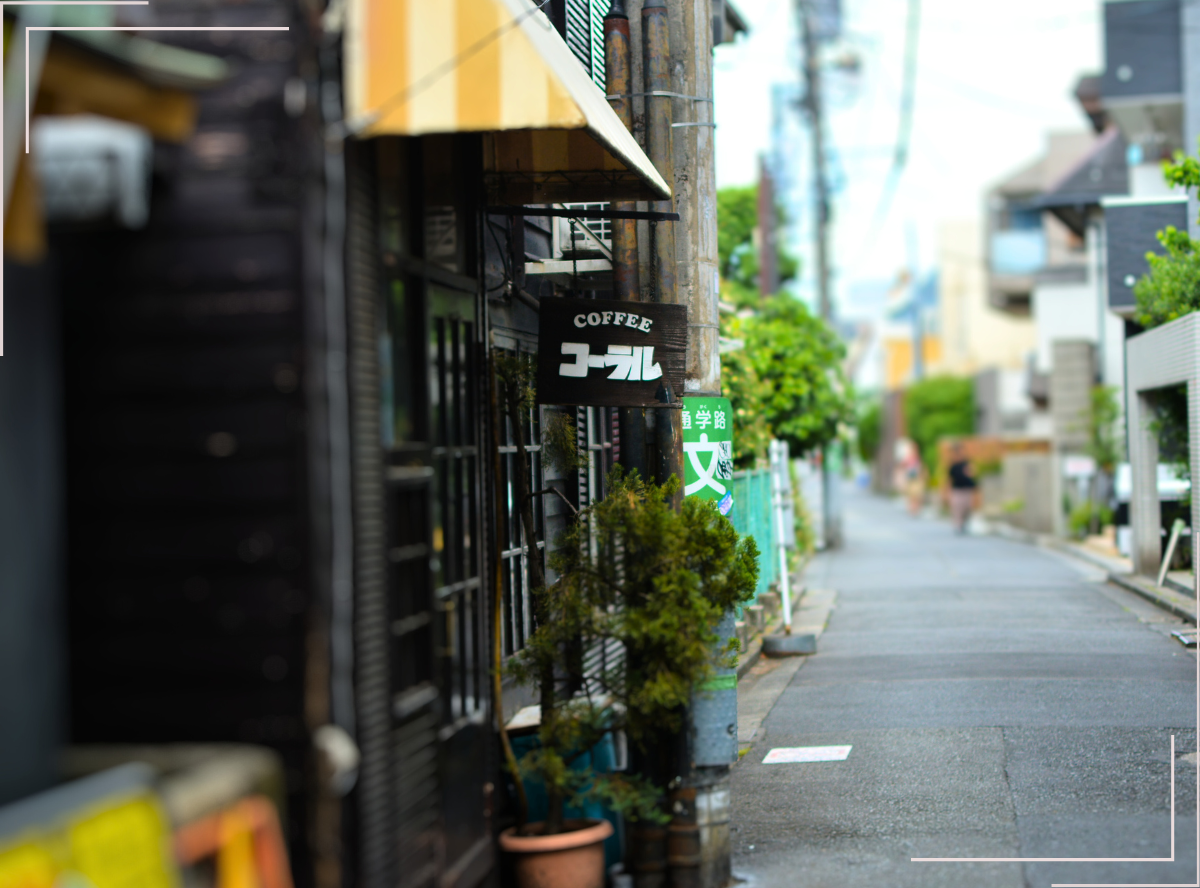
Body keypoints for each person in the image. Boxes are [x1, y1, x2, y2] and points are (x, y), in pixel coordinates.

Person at [947, 442, 977, 534]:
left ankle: (964, 524)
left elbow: (973, 475)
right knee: (957, 509)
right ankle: (958, 525)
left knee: (967, 508)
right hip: (957, 490)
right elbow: (949, 479)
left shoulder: (967, 463)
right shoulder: (953, 465)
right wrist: (947, 492)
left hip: (967, 489)